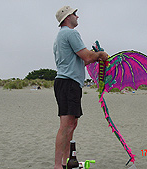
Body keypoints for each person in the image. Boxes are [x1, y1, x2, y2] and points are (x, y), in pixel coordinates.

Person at [53, 6, 108, 169]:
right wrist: (100, 55)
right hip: (68, 83)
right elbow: (87, 56)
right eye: (75, 14)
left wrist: (94, 56)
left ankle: (65, 162)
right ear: (67, 17)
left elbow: (82, 61)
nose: (78, 17)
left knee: (72, 123)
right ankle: (58, 165)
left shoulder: (60, 36)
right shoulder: (71, 33)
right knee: (66, 124)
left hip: (68, 83)